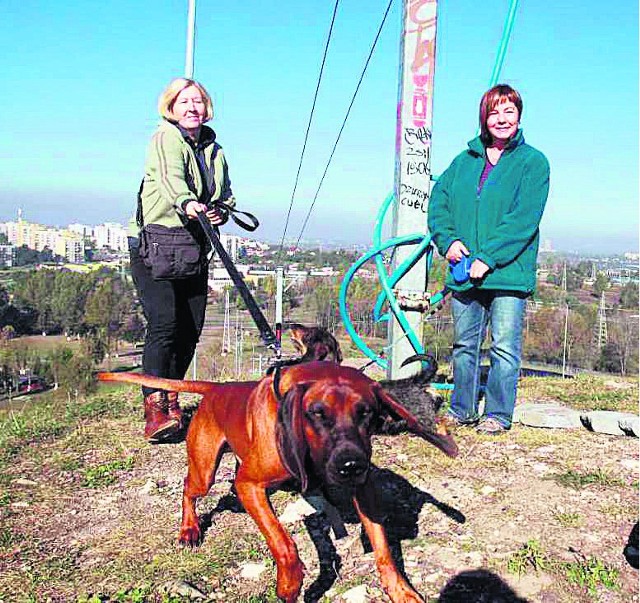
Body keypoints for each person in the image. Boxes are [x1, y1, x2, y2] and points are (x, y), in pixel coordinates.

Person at [427, 84, 549, 435]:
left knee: (504, 347)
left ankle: (497, 413)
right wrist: (447, 242)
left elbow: (524, 219)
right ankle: (462, 409)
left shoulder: (533, 163)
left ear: (519, 116)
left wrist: (488, 257)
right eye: (494, 112)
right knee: (464, 345)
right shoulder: (463, 162)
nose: (501, 119)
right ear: (484, 117)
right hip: (465, 272)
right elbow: (439, 204)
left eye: (508, 111)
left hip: (508, 273)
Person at [128, 77, 235, 442]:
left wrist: (221, 211)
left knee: (190, 327)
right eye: (184, 101)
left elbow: (227, 193)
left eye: (198, 101)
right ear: (171, 107)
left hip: (194, 247)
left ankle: (172, 396)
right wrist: (188, 203)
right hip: (156, 245)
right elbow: (172, 181)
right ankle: (155, 409)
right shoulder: (165, 138)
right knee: (165, 324)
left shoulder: (214, 148)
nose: (192, 108)